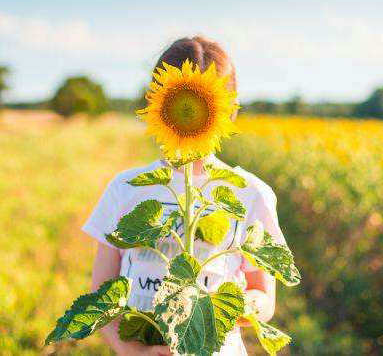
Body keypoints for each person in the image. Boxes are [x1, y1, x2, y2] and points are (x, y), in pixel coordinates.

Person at [82, 36, 287, 356]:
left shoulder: (249, 193)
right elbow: (100, 296)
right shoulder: (126, 189)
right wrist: (135, 352)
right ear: (156, 102)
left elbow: (264, 296)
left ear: (229, 111)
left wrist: (223, 308)